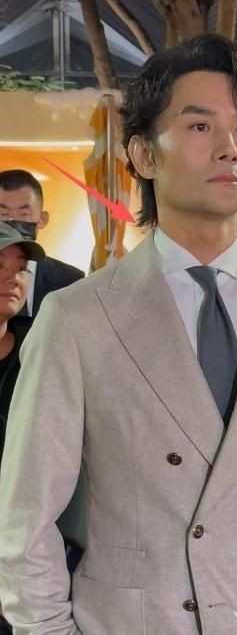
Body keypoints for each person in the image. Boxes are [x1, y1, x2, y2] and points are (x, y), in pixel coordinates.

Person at [0, 35, 237, 635]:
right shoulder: (77, 318)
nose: (230, 147)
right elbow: (25, 515)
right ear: (144, 154)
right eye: (200, 126)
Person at [0, 222, 45, 635]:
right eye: (0, 265)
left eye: (21, 269)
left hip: (26, 554)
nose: (13, 278)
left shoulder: (40, 351)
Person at [0, 170, 84, 318]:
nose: (12, 222)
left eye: (23, 214)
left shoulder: (71, 281)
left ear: (42, 220)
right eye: (3, 214)